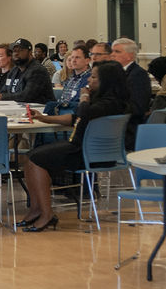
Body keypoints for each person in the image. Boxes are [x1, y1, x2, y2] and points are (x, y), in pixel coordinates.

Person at [18, 61, 130, 232]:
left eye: (93, 77)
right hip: (83, 148)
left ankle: (47, 214)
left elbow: (83, 113)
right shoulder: (102, 101)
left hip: (88, 153)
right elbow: (76, 118)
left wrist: (84, 97)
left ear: (106, 81)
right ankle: (36, 209)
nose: (89, 81)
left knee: (36, 158)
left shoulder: (109, 103)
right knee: (30, 158)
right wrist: (45, 118)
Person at [0, 38, 54, 104]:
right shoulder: (14, 70)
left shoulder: (37, 70)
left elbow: (26, 97)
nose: (16, 53)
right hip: (19, 107)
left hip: (40, 109)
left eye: (20, 50)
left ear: (30, 52)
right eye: (14, 51)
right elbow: (4, 91)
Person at [110, 37, 150, 150]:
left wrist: (110, 108)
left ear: (130, 55)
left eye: (117, 52)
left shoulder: (138, 75)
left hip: (127, 127)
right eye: (112, 51)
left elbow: (137, 108)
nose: (112, 55)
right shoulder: (116, 72)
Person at [45, 45, 90, 114]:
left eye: (77, 57)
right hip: (63, 111)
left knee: (50, 106)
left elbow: (77, 104)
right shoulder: (71, 78)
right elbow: (63, 100)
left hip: (74, 114)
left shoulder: (90, 78)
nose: (73, 60)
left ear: (87, 61)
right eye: (72, 57)